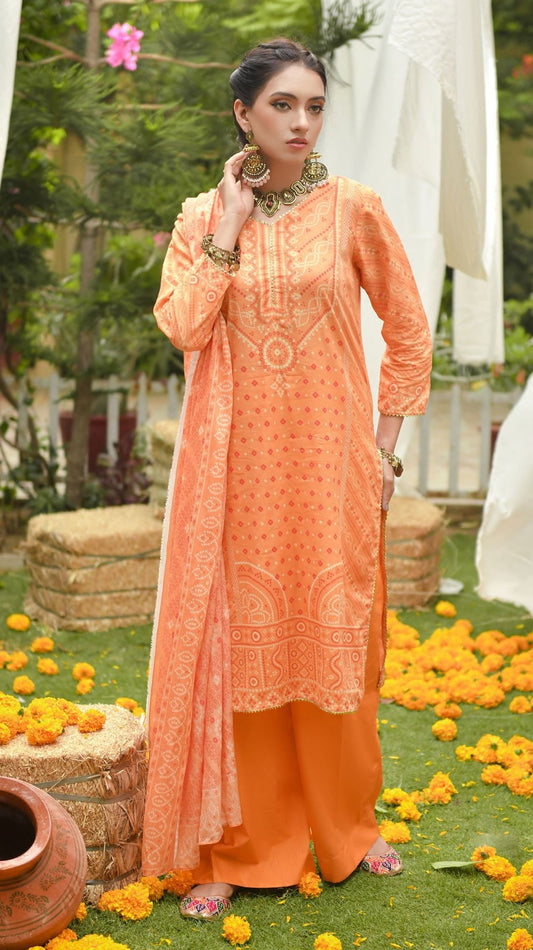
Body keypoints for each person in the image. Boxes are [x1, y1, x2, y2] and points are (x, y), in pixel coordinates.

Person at [142, 37, 433, 919]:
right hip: (233, 474)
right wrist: (228, 229)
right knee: (245, 657)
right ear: (243, 114)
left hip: (332, 466)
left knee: (335, 647)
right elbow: (183, 327)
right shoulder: (201, 217)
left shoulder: (352, 208)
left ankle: (347, 827)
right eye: (281, 105)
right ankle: (243, 846)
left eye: (313, 106)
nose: (301, 122)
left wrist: (384, 450)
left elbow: (407, 329)